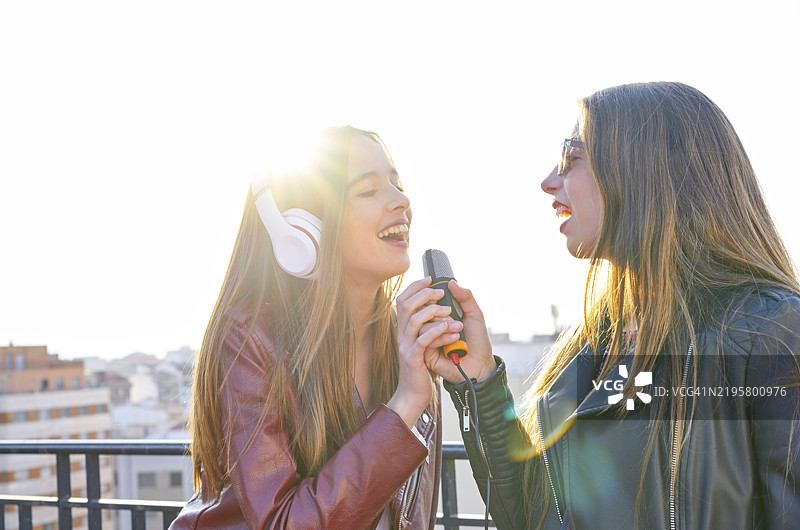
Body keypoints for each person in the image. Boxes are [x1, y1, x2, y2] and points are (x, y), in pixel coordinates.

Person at [423, 82, 800, 528]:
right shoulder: (593, 344)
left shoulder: (771, 330)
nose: (548, 182)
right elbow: (533, 517)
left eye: (571, 157)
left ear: (645, 171)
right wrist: (481, 380)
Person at [170, 126, 463, 529]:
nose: (402, 200)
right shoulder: (251, 337)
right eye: (368, 190)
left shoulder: (405, 341)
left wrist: (477, 379)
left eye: (396, 183)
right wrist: (406, 404)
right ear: (301, 233)